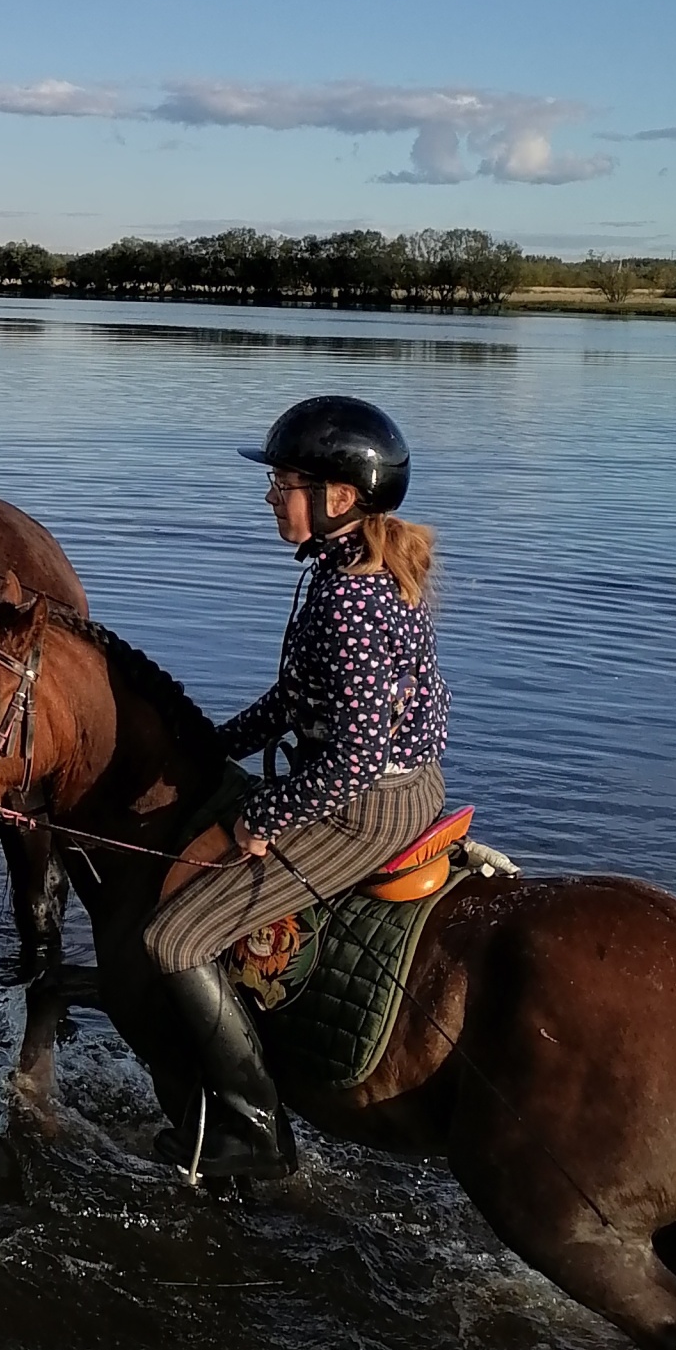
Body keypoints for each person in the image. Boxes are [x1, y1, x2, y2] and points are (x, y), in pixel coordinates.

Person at [144, 394, 452, 1181]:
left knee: (173, 942)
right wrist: (211, 747)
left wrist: (262, 816)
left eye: (285, 483)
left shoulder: (349, 597)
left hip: (365, 805)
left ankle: (252, 1134)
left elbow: (350, 758)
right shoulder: (352, 568)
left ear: (339, 498)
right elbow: (297, 699)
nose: (272, 497)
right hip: (396, 782)